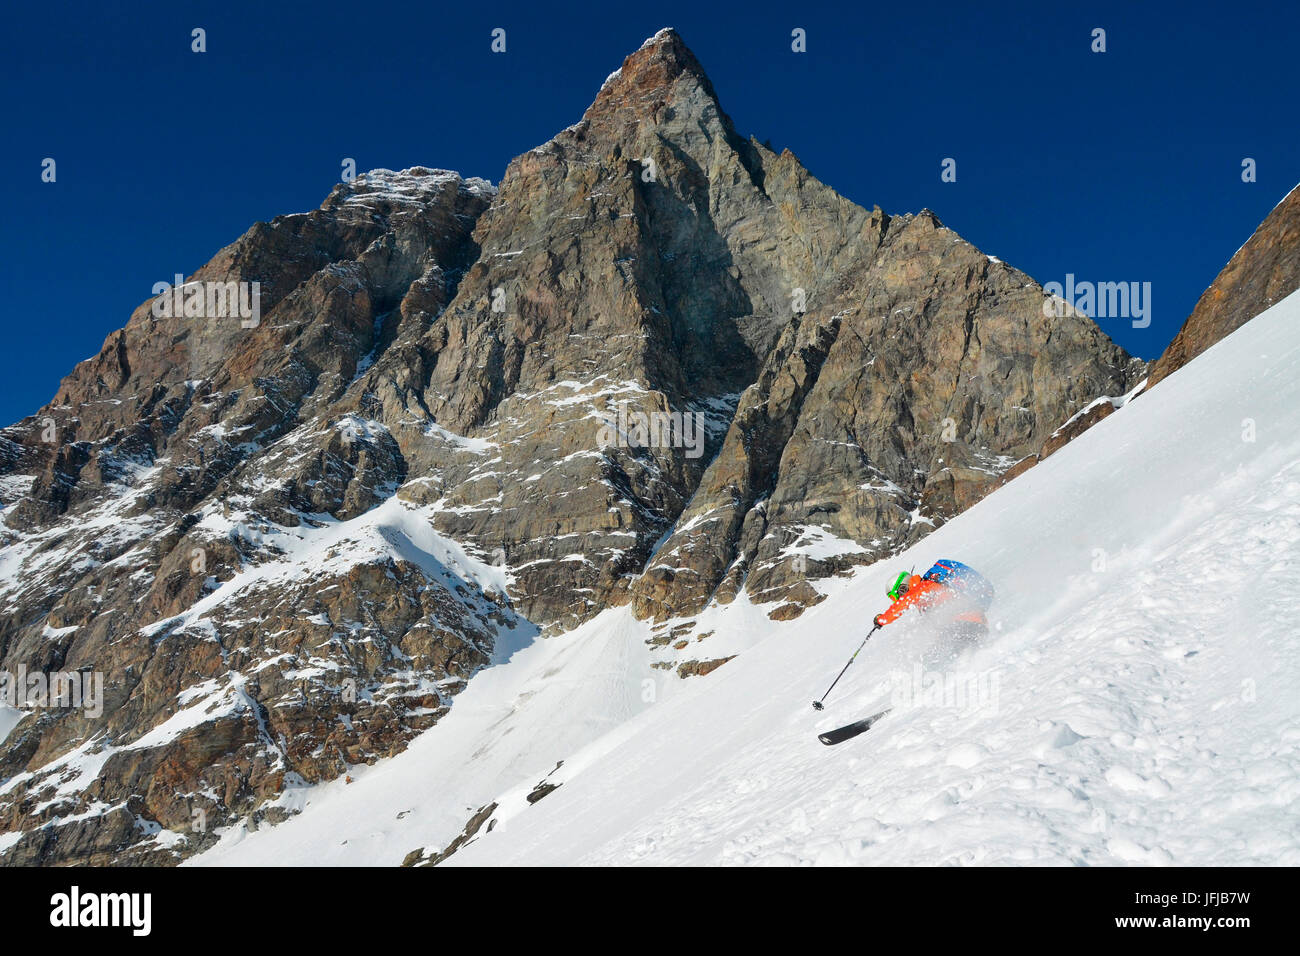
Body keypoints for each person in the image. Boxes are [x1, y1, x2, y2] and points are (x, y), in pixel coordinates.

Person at [873, 559, 994, 642]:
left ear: (903, 588)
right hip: (969, 626)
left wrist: (882, 619)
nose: (898, 600)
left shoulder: (925, 586)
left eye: (897, 596)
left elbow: (905, 602)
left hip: (967, 624)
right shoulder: (926, 603)